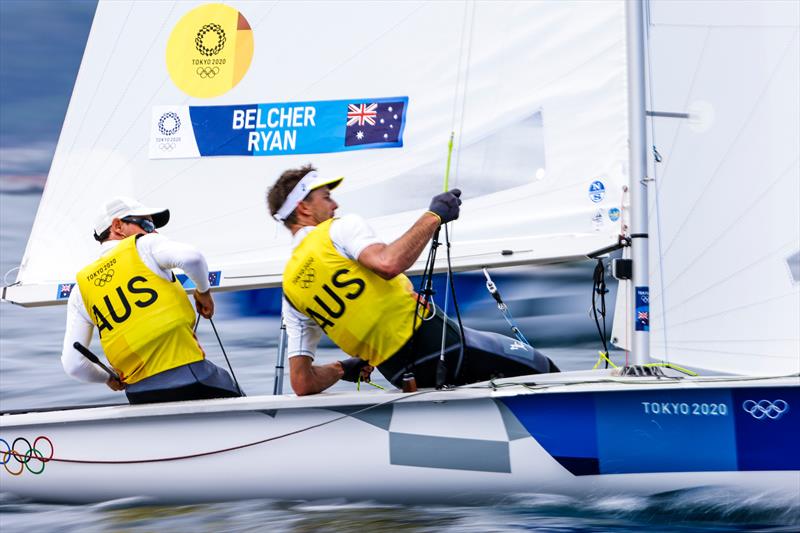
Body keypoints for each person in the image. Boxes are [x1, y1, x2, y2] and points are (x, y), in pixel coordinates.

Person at [267, 165, 557, 396]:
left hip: (396, 373)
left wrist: (342, 368)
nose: (335, 204)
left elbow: (302, 383)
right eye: (326, 197)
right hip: (444, 348)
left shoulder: (290, 290)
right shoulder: (338, 230)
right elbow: (388, 263)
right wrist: (433, 216)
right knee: (545, 370)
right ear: (304, 208)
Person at [61, 196, 242, 404]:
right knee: (235, 392)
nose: (154, 231)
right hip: (193, 378)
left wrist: (108, 377)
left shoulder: (79, 291)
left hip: (139, 393)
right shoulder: (144, 245)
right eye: (147, 224)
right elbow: (193, 258)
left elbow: (73, 364)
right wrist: (203, 291)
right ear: (118, 226)